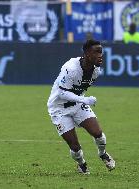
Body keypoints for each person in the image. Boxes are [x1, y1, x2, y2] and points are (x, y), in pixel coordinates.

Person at [47, 39, 115, 174]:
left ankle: (103, 154)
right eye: (97, 52)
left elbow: (79, 89)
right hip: (59, 109)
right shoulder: (70, 68)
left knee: (98, 134)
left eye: (101, 52)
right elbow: (62, 92)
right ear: (87, 54)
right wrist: (84, 99)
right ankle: (81, 164)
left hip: (77, 105)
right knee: (75, 146)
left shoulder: (96, 71)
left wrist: (82, 100)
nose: (100, 55)